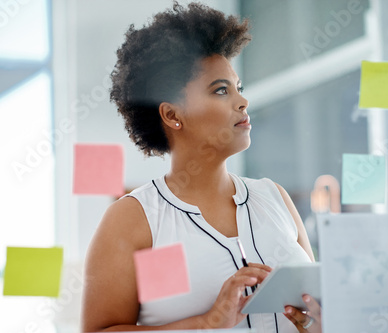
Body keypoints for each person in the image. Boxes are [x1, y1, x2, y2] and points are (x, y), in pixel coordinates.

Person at [81, 2, 322, 332]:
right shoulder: (134, 220)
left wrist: (318, 324)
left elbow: (315, 312)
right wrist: (205, 323)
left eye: (239, 88)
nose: (242, 101)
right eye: (221, 90)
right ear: (172, 115)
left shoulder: (275, 197)